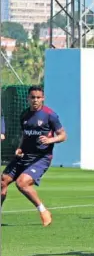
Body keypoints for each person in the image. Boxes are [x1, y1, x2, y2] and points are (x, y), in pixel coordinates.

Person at [1, 85, 67, 226]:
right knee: (3, 181)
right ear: (28, 99)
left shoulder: (50, 115)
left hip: (41, 158)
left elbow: (63, 135)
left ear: (43, 98)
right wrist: (19, 147)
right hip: (24, 155)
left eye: (38, 97)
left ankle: (44, 211)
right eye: (32, 97)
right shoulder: (24, 114)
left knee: (22, 183)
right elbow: (24, 135)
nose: (35, 100)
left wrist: (50, 140)